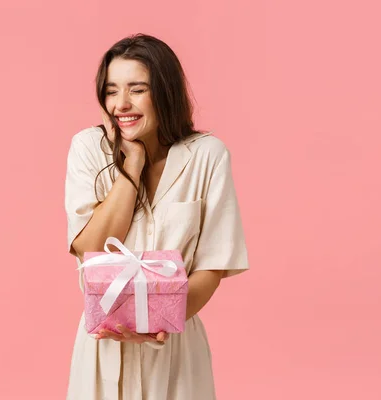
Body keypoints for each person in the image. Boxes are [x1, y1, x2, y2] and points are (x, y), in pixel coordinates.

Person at [65, 33, 249, 400]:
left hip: (176, 346)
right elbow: (90, 250)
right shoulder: (88, 147)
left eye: (137, 89)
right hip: (104, 346)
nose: (121, 104)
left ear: (164, 92)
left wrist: (154, 321)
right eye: (112, 90)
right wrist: (131, 168)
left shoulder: (207, 156)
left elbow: (212, 266)